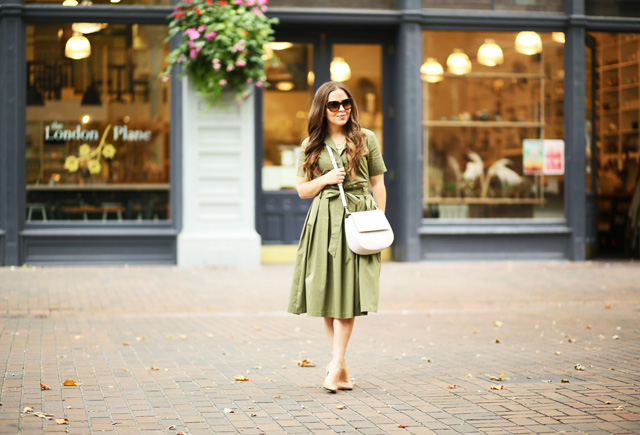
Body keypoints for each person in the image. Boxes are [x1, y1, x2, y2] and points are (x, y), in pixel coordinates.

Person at [288, 81, 388, 393]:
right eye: (334, 105)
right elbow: (303, 190)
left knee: (348, 294)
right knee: (329, 293)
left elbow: (378, 184)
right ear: (322, 109)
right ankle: (340, 364)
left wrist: (378, 220)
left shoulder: (365, 139)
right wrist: (327, 179)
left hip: (357, 219)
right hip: (323, 220)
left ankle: (335, 366)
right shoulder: (311, 145)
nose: (341, 109)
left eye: (345, 103)